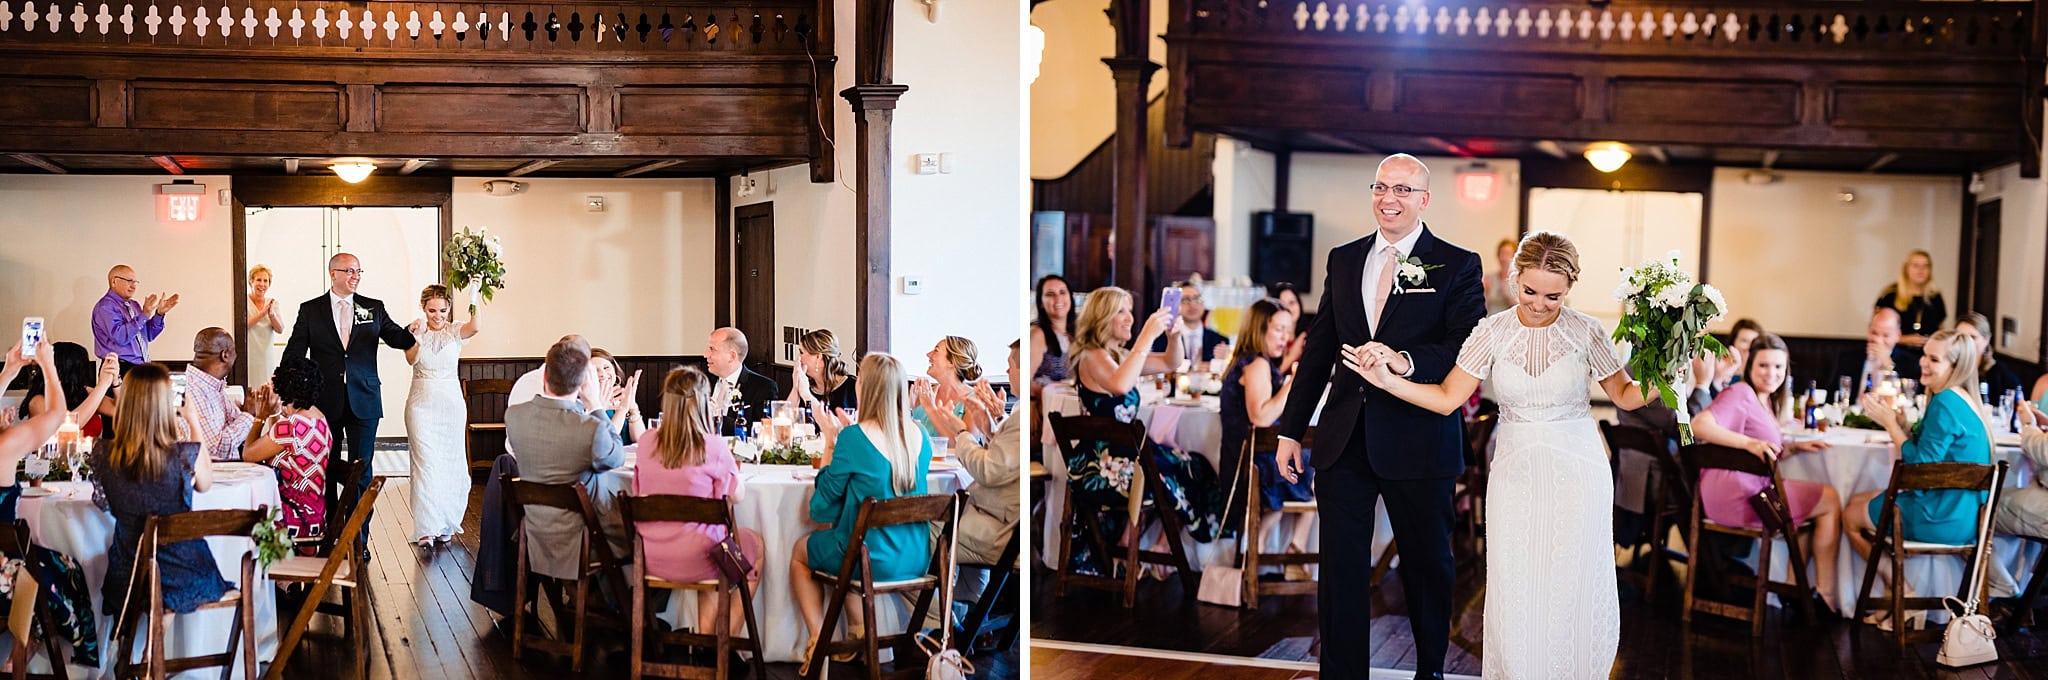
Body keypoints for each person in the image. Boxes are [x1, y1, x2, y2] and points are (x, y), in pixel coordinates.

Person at [1349, 230, 1657, 678]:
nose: (1539, 304)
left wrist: (1668, 372)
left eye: (1553, 296)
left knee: (1570, 583)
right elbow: (1447, 398)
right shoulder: (1492, 331)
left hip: (1578, 473)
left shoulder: (1588, 331)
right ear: (1515, 278)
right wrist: (1390, 382)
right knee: (1516, 583)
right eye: (1530, 291)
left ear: (1570, 287)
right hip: (1516, 472)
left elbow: (1626, 396)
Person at [1270, 154, 1485, 680]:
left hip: (1420, 437)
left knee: (1426, 566)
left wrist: (1403, 360)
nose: (1389, 198)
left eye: (1403, 190)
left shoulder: (1457, 264)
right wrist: (1290, 431)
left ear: (1424, 200)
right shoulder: (1344, 259)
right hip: (1345, 436)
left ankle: (1430, 671)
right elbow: (1319, 350)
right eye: (1381, 187)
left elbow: (1465, 345)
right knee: (1340, 568)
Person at [1843, 329, 1995, 629]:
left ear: (1955, 366)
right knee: (1860, 500)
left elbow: (1918, 468)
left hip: (1942, 517)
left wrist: (1890, 425)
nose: (1923, 363)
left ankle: (1903, 593)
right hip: (1966, 514)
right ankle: (1893, 599)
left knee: (1850, 516)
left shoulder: (1945, 401)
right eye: (1925, 355)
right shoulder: (1961, 397)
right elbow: (1932, 452)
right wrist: (1903, 426)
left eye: (1934, 359)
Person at [788, 353, 933, 664]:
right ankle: (857, 632)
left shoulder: (854, 437)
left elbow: (821, 508)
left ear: (864, 387)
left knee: (802, 552)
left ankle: (819, 640)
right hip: (917, 555)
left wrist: (831, 441)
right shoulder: (920, 434)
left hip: (870, 558)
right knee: (851, 538)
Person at [1687, 333, 1843, 613]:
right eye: (1763, 365)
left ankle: (1794, 589)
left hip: (1733, 494)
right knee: (1830, 498)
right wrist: (1750, 443)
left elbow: (1762, 451)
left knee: (1810, 506)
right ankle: (1827, 596)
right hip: (1743, 498)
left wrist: (1791, 448)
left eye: (1778, 367)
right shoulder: (1740, 392)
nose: (1771, 373)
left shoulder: (1762, 400)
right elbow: (1698, 425)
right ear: (1750, 366)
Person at [1065, 287, 1221, 550]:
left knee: (1194, 465)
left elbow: (1171, 363)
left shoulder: (1119, 356)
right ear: (1102, 317)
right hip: (1101, 462)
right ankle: (1140, 547)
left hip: (1128, 454)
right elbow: (1120, 385)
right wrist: (1146, 336)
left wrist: (1173, 336)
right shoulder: (1092, 355)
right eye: (1121, 312)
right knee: (1175, 470)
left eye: (1130, 310)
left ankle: (1148, 545)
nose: (1130, 318)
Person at [281, 252, 418, 548]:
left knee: (361, 469)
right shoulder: (311, 310)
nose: (355, 276)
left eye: (358, 271)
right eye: (349, 271)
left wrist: (412, 332)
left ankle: (358, 540)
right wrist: (291, 395)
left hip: (364, 400)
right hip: (323, 402)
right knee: (327, 467)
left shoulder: (373, 307)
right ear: (333, 273)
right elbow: (293, 354)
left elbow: (397, 338)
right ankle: (330, 536)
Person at [92, 363, 229, 622]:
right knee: (169, 580)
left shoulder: (104, 455)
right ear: (165, 406)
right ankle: (156, 641)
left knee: (158, 581)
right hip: (180, 571)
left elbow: (106, 504)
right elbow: (205, 483)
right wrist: (193, 420)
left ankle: (148, 642)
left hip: (127, 572)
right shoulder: (180, 456)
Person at [633, 366, 764, 635]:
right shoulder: (713, 446)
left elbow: (637, 490)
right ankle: (722, 642)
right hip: (706, 559)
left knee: (712, 544)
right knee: (753, 545)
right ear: (704, 403)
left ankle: (704, 640)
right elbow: (736, 495)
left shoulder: (646, 442)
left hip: (650, 557)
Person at [0, 340, 101, 667]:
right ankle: (63, 660)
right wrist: (46, 364)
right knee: (66, 568)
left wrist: (9, 371)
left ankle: (20, 655)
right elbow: (59, 418)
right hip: (4, 573)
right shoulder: (5, 447)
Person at [504, 335, 630, 579]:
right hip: (585, 541)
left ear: (544, 376)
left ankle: (596, 596)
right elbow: (617, 458)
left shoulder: (515, 416)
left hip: (535, 537)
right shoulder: (589, 428)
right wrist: (596, 405)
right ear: (584, 382)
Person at [918, 341, 1022, 631]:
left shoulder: (1022, 416)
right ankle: (970, 614)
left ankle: (944, 623)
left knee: (926, 528)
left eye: (1011, 366)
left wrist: (963, 432)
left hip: (1002, 529)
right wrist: (990, 426)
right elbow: (1006, 460)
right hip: (1000, 520)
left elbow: (988, 471)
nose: (1007, 371)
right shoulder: (1018, 415)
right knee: (954, 517)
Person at [1219, 298, 1311, 574]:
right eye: (1279, 329)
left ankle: (1283, 551)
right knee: (1319, 468)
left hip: (1252, 461)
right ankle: (1291, 553)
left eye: (1288, 330)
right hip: (1252, 466)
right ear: (1260, 328)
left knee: (1312, 466)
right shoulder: (1256, 363)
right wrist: (1293, 384)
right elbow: (1260, 417)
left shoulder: (1250, 361)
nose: (1286, 337)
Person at [403, 284, 483, 547]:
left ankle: (447, 521)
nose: (438, 316)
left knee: (450, 463)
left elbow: (476, 326)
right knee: (425, 464)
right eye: (432, 310)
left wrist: (474, 294)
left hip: (450, 406)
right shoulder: (415, 330)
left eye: (442, 310)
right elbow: (411, 359)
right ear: (423, 308)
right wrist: (416, 336)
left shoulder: (455, 330)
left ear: (449, 309)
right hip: (421, 405)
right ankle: (426, 526)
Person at [239, 357, 331, 545]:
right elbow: (277, 442)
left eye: (273, 384)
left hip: (296, 516)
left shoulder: (291, 427)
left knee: (240, 516)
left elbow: (248, 455)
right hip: (315, 513)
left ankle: (247, 563)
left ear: (285, 388)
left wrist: (260, 417)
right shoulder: (318, 417)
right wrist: (274, 413)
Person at [184, 328, 260, 461]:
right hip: (210, 471)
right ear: (225, 355)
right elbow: (217, 449)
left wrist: (253, 415)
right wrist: (248, 415)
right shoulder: (193, 390)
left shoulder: (213, 386)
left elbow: (235, 431)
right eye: (234, 351)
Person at [17, 341, 118, 434]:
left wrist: (116, 381)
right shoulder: (38, 401)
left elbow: (117, 409)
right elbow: (65, 429)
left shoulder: (84, 392)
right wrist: (102, 385)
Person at [91, 264, 179, 368]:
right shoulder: (105, 307)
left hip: (140, 366)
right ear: (114, 282)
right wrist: (144, 315)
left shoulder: (134, 305)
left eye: (135, 282)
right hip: (119, 367)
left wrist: (159, 314)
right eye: (129, 281)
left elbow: (148, 335)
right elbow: (121, 337)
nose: (133, 286)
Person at [704, 328, 777, 436]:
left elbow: (762, 431)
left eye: (712, 349)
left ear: (732, 356)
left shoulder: (763, 387)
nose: (706, 355)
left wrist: (719, 419)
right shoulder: (703, 381)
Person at [1834, 307, 1916, 393]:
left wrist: (1889, 365)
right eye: (1874, 333)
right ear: (1868, 329)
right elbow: (1833, 393)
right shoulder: (1848, 357)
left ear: (1897, 335)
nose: (1878, 340)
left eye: (1886, 335)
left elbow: (1907, 395)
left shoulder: (1910, 363)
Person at [1150, 280, 1232, 366]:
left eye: (1197, 299)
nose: (1193, 304)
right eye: (1185, 300)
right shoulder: (1161, 340)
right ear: (1176, 305)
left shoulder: (1219, 341)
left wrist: (1226, 361)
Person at [913, 336, 981, 438]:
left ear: (951, 362)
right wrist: (910, 410)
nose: (928, 354)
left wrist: (930, 408)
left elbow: (967, 445)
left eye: (936, 350)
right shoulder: (925, 395)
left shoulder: (975, 400)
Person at [1878, 249, 1946, 349]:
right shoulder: (1890, 295)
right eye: (1916, 266)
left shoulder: (1935, 297)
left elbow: (1941, 330)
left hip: (1927, 352)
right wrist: (1903, 339)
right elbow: (1877, 332)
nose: (1921, 270)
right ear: (1906, 268)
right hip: (1896, 351)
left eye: (1925, 266)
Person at [1955, 312, 2025, 402]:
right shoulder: (1946, 368)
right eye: (1960, 336)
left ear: (1987, 340)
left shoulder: (2002, 376)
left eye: (1973, 337)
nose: (1966, 342)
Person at [786, 329, 858, 414]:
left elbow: (826, 421)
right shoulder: (806, 386)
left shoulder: (853, 388)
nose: (798, 358)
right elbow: (786, 417)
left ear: (818, 357)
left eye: (801, 352)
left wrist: (806, 395)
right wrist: (796, 388)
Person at [590, 348, 647, 444]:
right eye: (594, 370)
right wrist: (622, 410)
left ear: (615, 371)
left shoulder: (623, 397)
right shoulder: (583, 405)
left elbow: (641, 440)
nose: (602, 374)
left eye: (606, 368)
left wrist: (633, 408)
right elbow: (606, 442)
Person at [1031, 275, 1075, 389]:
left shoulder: (1078, 333)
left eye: (1062, 292)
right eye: (1050, 294)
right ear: (1041, 302)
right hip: (1047, 399)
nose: (1058, 298)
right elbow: (1023, 381)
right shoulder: (1037, 334)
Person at [246, 265, 286, 388]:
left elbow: (280, 329)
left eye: (266, 281)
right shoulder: (244, 301)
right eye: (259, 280)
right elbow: (242, 327)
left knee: (266, 388)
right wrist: (262, 314)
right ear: (251, 281)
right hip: (248, 354)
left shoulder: (273, 303)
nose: (262, 284)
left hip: (265, 355)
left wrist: (272, 315)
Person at [1481, 237, 1516, 315]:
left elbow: (1520, 308)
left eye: (1507, 254)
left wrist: (1506, 292)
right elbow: (1482, 308)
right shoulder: (1490, 278)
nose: (1504, 258)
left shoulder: (1517, 280)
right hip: (1491, 319)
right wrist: (1484, 292)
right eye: (1501, 253)